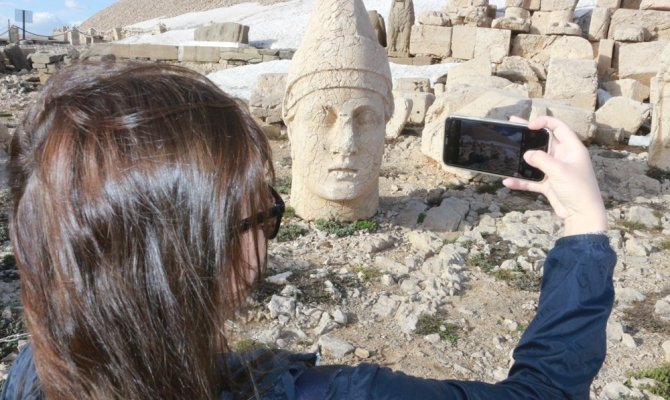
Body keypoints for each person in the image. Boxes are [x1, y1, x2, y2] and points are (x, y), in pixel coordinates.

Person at [1, 61, 615, 400]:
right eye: (262, 210)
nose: (346, 146)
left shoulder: (35, 367)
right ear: (195, 255)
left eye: (365, 120)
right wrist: (584, 223)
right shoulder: (331, 395)